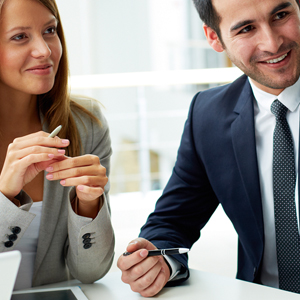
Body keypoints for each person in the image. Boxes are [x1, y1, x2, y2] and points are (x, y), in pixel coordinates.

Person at [117, 0, 300, 297]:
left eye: (281, 15)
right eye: (246, 28)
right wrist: (158, 261)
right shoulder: (209, 114)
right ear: (214, 38)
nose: (272, 42)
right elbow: (173, 220)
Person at [0, 0, 114, 290]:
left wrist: (88, 204)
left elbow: (91, 271)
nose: (45, 50)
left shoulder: (86, 124)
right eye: (20, 37)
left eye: (50, 30)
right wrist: (5, 195)